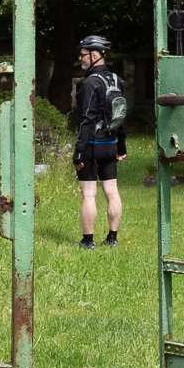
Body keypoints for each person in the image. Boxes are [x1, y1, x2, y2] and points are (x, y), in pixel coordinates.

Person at [72, 36, 125, 247]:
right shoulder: (117, 80)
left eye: (83, 54)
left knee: (89, 194)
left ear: (95, 56)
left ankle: (88, 241)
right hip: (110, 145)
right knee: (112, 191)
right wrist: (121, 146)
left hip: (91, 146)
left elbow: (85, 120)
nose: (80, 57)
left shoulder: (90, 84)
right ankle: (112, 238)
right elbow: (122, 116)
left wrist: (79, 150)